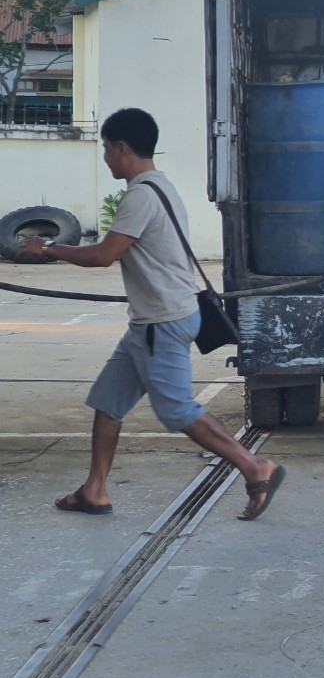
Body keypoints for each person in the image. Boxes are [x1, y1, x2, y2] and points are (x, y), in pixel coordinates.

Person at [18, 108, 285, 520]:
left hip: (162, 322)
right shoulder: (161, 187)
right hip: (152, 321)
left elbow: (104, 255)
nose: (105, 156)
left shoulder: (140, 195)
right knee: (108, 401)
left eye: (106, 148)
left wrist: (48, 249)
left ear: (122, 148)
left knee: (176, 409)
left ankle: (254, 468)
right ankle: (95, 490)